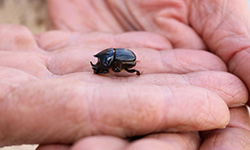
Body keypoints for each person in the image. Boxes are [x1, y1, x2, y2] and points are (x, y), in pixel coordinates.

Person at [0, 0, 250, 149]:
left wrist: (131, 70)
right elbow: (104, 62)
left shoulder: (116, 60)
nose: (98, 68)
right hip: (120, 53)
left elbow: (113, 65)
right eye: (99, 66)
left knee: (126, 71)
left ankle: (136, 72)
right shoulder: (106, 57)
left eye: (100, 66)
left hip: (127, 56)